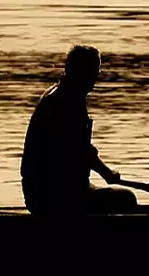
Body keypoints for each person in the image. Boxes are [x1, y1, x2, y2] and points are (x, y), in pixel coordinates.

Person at [20, 45, 140, 215]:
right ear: (79, 71)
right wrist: (107, 173)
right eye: (93, 72)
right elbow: (80, 151)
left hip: (52, 192)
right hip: (52, 197)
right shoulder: (67, 101)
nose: (96, 78)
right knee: (126, 199)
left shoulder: (63, 94)